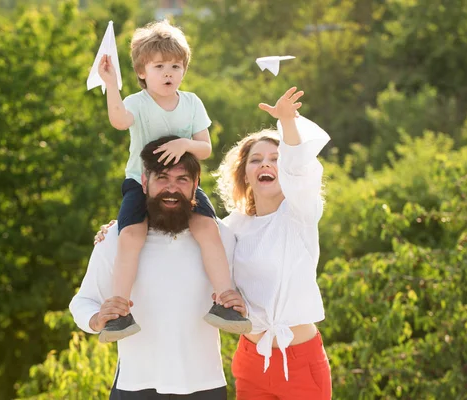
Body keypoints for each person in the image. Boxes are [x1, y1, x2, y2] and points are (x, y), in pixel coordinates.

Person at [97, 19, 249, 342]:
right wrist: (111, 84)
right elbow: (118, 120)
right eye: (160, 66)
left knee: (209, 229)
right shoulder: (138, 103)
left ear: (184, 70)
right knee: (131, 236)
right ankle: (120, 309)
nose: (168, 73)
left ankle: (226, 299)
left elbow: (205, 148)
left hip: (183, 186)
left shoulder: (192, 103)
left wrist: (184, 145)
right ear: (142, 72)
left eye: (176, 66)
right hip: (141, 185)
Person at [70, 136, 248, 399]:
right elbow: (82, 301)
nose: (171, 188)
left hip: (205, 385)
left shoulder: (221, 236)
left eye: (182, 180)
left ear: (196, 185)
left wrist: (241, 303)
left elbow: (252, 295)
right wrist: (96, 319)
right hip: (135, 385)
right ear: (144, 182)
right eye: (162, 178)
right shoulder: (117, 238)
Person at [216, 86, 332, 399]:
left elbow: (299, 168)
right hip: (251, 361)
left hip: (300, 364)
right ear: (245, 174)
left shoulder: (300, 213)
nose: (266, 164)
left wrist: (287, 123)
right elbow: (187, 235)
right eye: (256, 160)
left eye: (274, 158)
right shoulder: (232, 227)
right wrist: (119, 227)